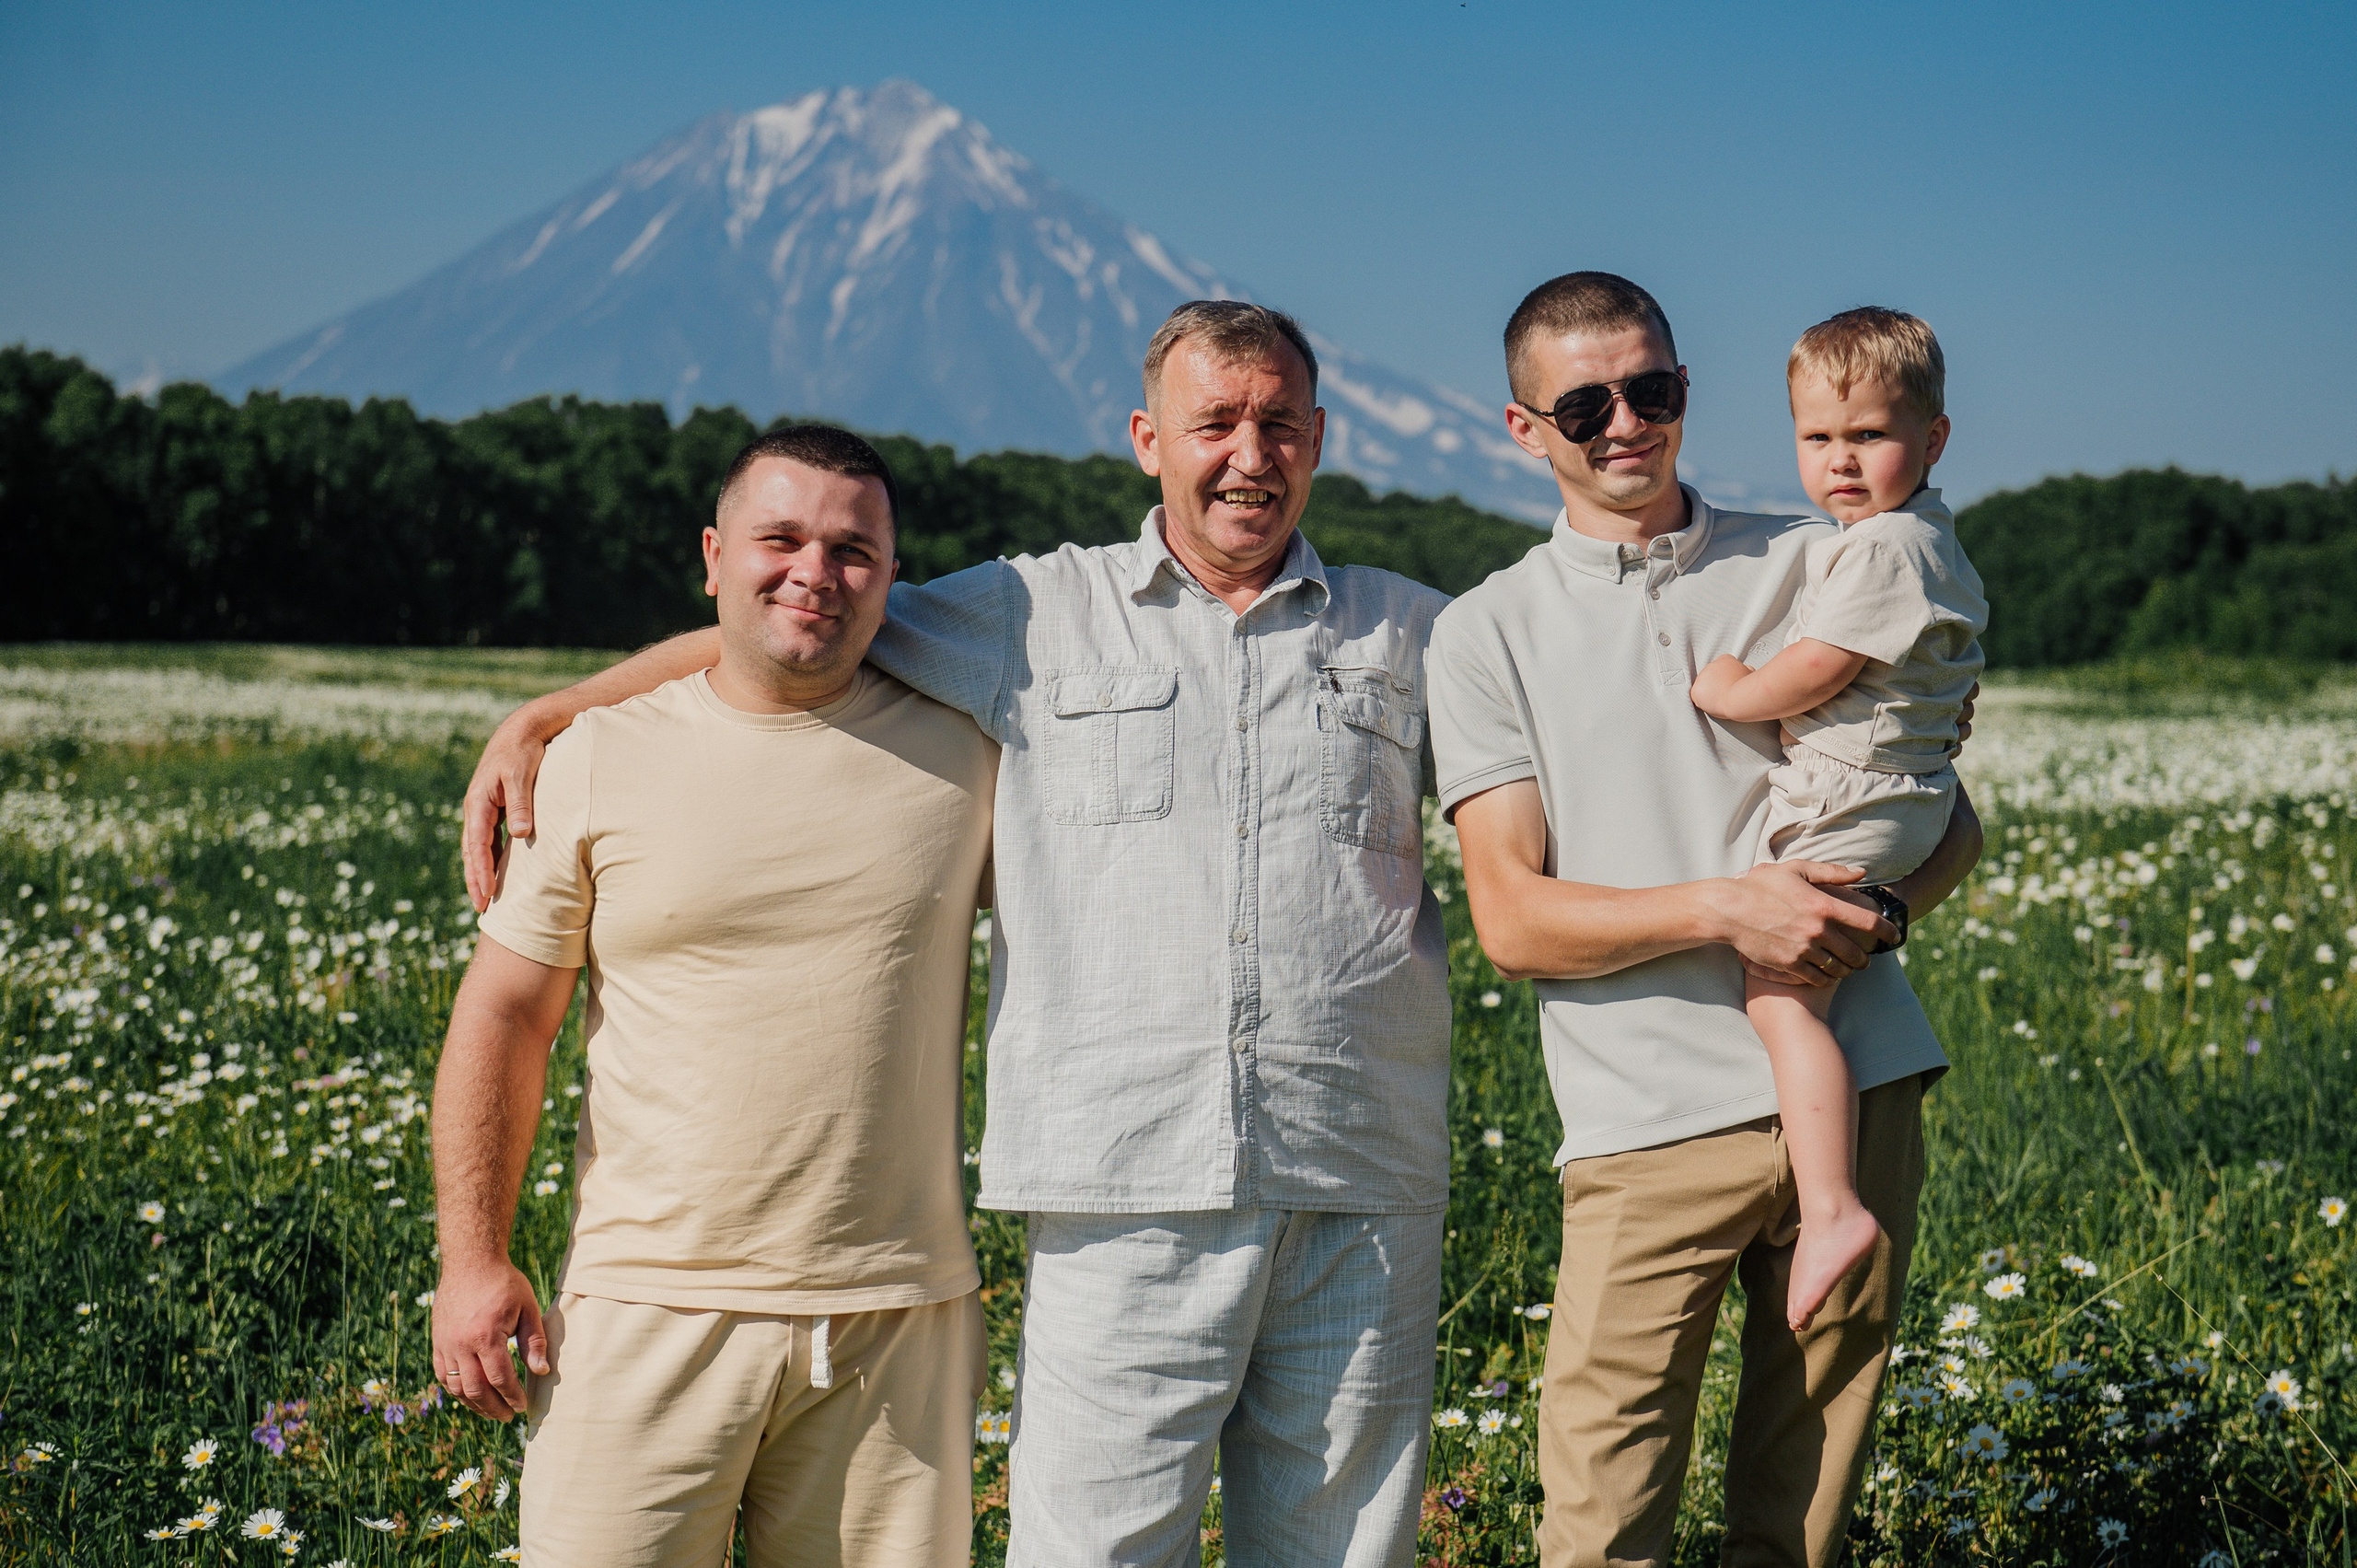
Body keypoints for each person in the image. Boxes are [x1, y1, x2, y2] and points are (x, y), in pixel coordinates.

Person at [460, 302, 1452, 1567]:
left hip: (1359, 1172)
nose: (1248, 453)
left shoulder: (1414, 631)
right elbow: (787, 620)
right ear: (1150, 438)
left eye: (1277, 423)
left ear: (1319, 438)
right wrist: (552, 713)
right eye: (1215, 422)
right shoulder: (1029, 615)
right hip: (1119, 1185)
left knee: (1344, 1549)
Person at [1426, 273, 1983, 1567]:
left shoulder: (1825, 555)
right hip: (1643, 1122)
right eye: (1583, 401)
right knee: (1601, 1521)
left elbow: (1948, 819)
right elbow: (1512, 919)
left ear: (1685, 389)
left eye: (1652, 388)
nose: (1625, 420)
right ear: (1525, 428)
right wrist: (1740, 909)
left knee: (1802, 1518)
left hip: (1859, 1073)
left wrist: (1877, 912)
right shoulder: (1484, 633)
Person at [428, 425, 995, 1568]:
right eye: (778, 539)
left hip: (898, 1319)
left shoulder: (975, 748)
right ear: (711, 555)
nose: (815, 573)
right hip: (642, 1308)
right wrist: (473, 1260)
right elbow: (504, 1015)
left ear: (896, 574)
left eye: (853, 550)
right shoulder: (595, 756)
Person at [1688, 308, 1987, 1331]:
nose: (1841, 462)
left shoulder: (1885, 549)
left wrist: (1733, 689)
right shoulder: (1928, 535)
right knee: (1798, 989)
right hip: (1907, 802)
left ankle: (1830, 1207)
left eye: (1869, 436)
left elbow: (1822, 667)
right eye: (1818, 438)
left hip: (1853, 802)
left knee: (1781, 999)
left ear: (1933, 438)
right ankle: (1830, 1205)